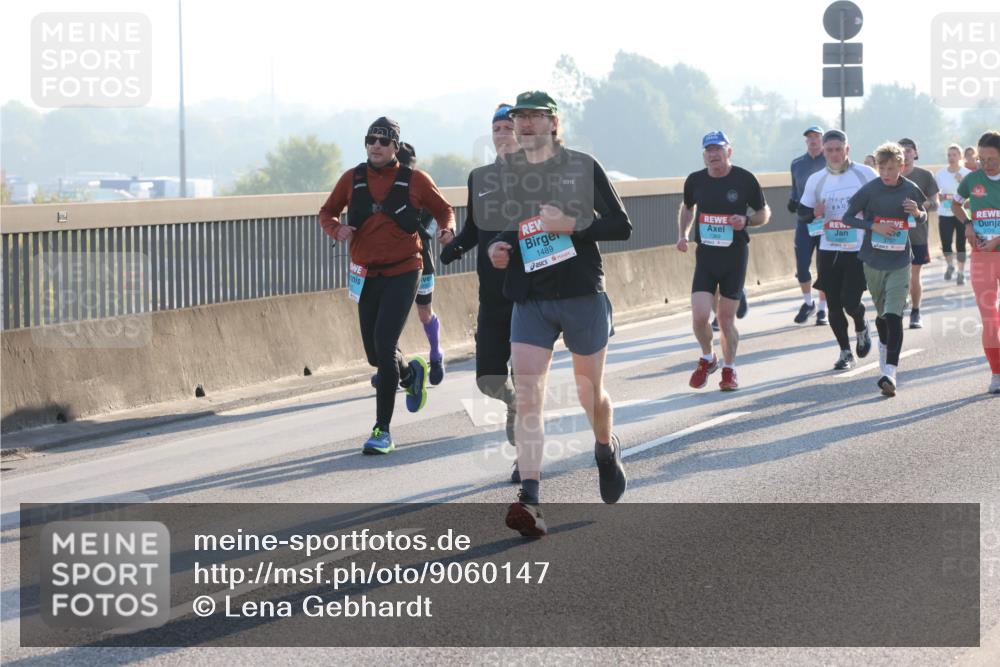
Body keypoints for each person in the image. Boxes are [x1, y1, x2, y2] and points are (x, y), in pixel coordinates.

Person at [487, 91, 631, 536]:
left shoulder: (582, 166)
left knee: (590, 393)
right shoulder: (509, 173)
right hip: (530, 296)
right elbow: (516, 224)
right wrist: (500, 246)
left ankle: (605, 449)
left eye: (535, 117)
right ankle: (530, 499)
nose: (525, 124)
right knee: (528, 393)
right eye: (519, 118)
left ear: (554, 123)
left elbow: (621, 225)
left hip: (580, 292)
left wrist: (571, 226)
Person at [319, 117, 455, 454]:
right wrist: (338, 230)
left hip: (404, 270)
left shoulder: (415, 180)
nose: (376, 146)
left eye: (383, 141)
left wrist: (447, 231)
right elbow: (327, 213)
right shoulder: (352, 179)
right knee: (374, 353)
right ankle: (410, 375)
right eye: (371, 140)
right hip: (366, 273)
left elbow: (444, 210)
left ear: (396, 146)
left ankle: (382, 430)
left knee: (384, 342)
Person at [441, 103, 522, 482]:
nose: (502, 134)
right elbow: (475, 229)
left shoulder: (538, 176)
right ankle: (512, 403)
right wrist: (454, 247)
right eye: (497, 128)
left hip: (529, 293)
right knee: (488, 379)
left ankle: (526, 463)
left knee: (527, 375)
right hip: (491, 294)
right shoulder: (480, 177)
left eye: (509, 127)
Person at [678, 131, 771, 391]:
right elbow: (687, 207)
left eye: (718, 149)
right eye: (709, 150)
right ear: (704, 155)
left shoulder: (744, 179)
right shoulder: (695, 180)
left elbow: (764, 212)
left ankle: (729, 370)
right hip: (706, 256)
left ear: (729, 152)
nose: (714, 154)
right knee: (699, 316)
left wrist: (748, 221)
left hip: (734, 255)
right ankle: (708, 358)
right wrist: (682, 235)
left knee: (726, 320)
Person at [842, 142, 928, 396]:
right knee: (882, 316)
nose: (886, 173)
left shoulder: (911, 189)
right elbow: (848, 218)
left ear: (901, 166)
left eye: (891, 168)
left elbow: (921, 217)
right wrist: (873, 226)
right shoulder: (870, 190)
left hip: (900, 261)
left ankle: (889, 372)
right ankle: (883, 351)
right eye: (882, 168)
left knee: (893, 316)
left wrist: (917, 212)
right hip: (873, 261)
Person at [798, 130, 877, 370]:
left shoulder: (865, 174)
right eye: (829, 150)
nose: (834, 154)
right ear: (823, 151)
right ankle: (845, 352)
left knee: (850, 301)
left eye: (838, 149)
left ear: (847, 149)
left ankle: (861, 323)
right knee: (833, 303)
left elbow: (881, 202)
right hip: (828, 249)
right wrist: (814, 213)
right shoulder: (816, 180)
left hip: (857, 249)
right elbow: (802, 214)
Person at [953, 130, 1000, 394]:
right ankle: (996, 373)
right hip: (982, 258)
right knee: (989, 319)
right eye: (982, 158)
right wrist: (968, 225)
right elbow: (956, 205)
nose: (985, 164)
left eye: (991, 159)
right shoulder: (972, 179)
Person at [897, 138, 939, 329]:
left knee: (914, 275)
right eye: (901, 150)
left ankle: (915, 312)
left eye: (908, 150)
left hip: (917, 234)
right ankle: (900, 303)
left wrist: (920, 207)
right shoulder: (890, 175)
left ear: (915, 152)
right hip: (894, 233)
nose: (905, 153)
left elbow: (935, 202)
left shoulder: (925, 175)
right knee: (898, 275)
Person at [789, 125, 829, 325]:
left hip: (826, 220)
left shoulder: (829, 161)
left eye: (816, 137)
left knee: (824, 266)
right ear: (806, 141)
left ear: (822, 140)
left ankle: (823, 309)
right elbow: (794, 190)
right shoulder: (797, 163)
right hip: (805, 221)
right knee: (802, 265)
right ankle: (808, 302)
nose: (813, 140)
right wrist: (792, 201)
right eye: (809, 138)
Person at [935, 144, 972, 285]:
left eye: (954, 155)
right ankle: (950, 265)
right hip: (945, 212)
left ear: (960, 157)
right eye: (949, 155)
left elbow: (971, 195)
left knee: (961, 244)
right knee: (946, 243)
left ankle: (961, 273)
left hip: (961, 213)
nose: (951, 158)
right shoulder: (940, 174)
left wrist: (961, 182)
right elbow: (935, 194)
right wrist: (941, 198)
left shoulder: (967, 173)